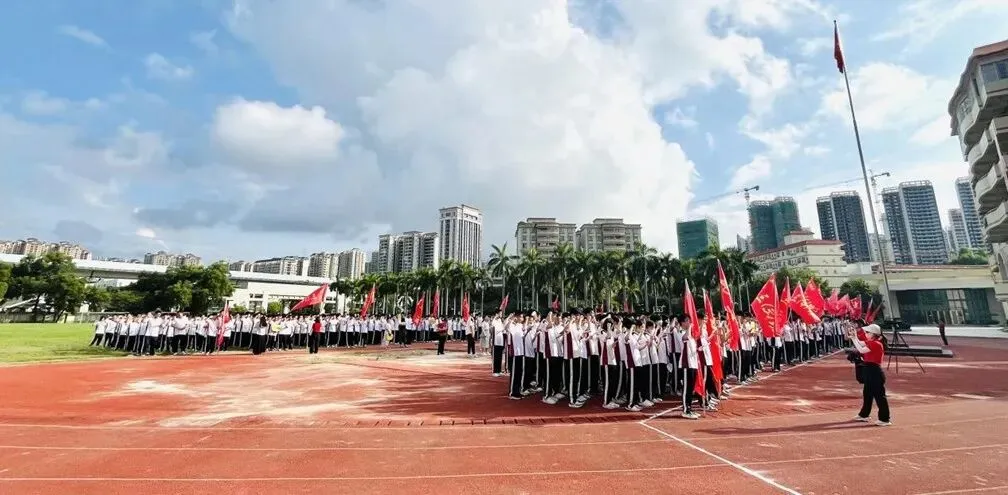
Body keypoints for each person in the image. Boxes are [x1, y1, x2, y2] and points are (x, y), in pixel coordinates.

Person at [850, 324, 891, 426]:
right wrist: (854, 336)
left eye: (868, 332)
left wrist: (854, 338)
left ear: (874, 334)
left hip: (875, 371)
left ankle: (884, 419)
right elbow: (860, 343)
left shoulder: (876, 344)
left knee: (879, 396)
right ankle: (864, 415)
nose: (866, 334)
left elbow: (861, 349)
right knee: (867, 394)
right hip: (869, 370)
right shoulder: (871, 342)